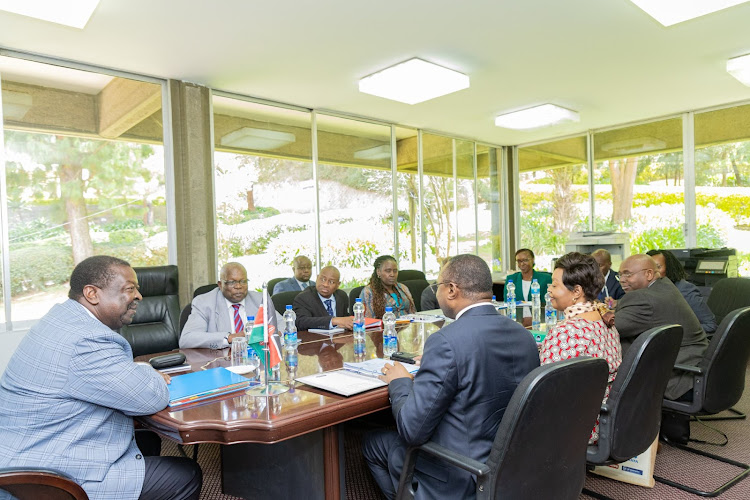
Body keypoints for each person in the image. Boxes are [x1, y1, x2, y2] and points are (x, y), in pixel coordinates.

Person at [0, 256, 202, 500]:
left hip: (26, 449)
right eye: (130, 289)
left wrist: (137, 370)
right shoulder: (87, 340)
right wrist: (148, 372)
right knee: (185, 474)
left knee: (146, 441)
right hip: (48, 474)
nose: (139, 296)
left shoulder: (63, 319)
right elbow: (150, 397)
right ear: (92, 294)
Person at [362, 254, 540, 499]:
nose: (435, 293)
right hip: (510, 465)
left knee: (372, 442)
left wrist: (399, 381)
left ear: (452, 290)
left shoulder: (445, 341)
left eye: (438, 286)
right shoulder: (524, 335)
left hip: (459, 474)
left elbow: (412, 431)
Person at [606, 254, 708, 443]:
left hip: (679, 376)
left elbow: (608, 329)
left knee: (608, 353)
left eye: (628, 274)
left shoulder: (642, 298)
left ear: (649, 274)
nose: (622, 280)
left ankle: (614, 435)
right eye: (620, 275)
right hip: (696, 367)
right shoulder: (665, 287)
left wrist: (590, 313)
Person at [539, 252, 622, 444]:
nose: (549, 290)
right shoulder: (604, 319)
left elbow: (546, 389)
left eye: (554, 284)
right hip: (604, 416)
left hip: (578, 423)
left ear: (576, 291)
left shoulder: (567, 331)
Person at [181, 262, 282, 349]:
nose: (238, 286)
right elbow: (187, 339)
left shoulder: (260, 299)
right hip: (221, 362)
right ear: (220, 285)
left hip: (257, 357)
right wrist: (230, 337)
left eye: (243, 281)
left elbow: (285, 324)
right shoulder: (204, 303)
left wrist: (273, 332)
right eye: (232, 282)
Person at [647, 249, 718, 334]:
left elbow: (711, 325)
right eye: (648, 269)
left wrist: (675, 332)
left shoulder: (684, 289)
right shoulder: (647, 290)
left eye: (658, 267)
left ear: (669, 268)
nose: (653, 272)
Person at [293, 265, 353, 331]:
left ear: (337, 285)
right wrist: (333, 321)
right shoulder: (304, 298)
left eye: (331, 282)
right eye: (323, 279)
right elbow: (301, 322)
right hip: (316, 339)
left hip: (340, 338)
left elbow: (344, 318)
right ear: (317, 278)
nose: (325, 284)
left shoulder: (341, 296)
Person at [503, 248, 552, 324]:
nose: (522, 264)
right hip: (517, 322)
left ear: (533, 260)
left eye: (525, 260)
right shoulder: (511, 279)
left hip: (540, 321)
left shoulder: (545, 279)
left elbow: (549, 302)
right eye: (519, 261)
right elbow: (507, 302)